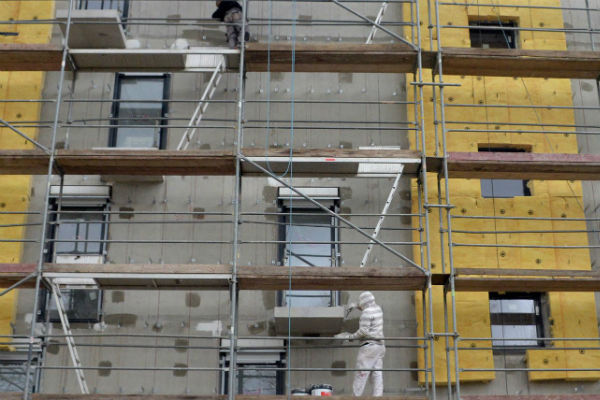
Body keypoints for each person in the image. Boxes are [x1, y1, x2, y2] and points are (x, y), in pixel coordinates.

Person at [335, 291, 385, 397]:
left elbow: (363, 332)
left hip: (369, 347)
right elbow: (368, 307)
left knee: (361, 373)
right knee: (376, 373)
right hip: (380, 346)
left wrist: (349, 337)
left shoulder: (366, 313)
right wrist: (356, 306)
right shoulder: (378, 309)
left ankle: (355, 396)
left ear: (363, 303)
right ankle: (378, 396)